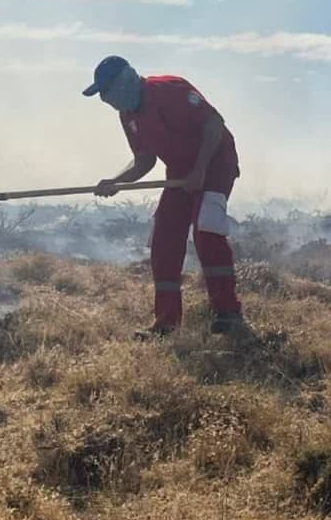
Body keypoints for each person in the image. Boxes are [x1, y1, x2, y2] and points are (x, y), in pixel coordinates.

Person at [84, 55, 245, 337]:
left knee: (207, 230)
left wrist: (200, 169)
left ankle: (228, 314)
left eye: (106, 91)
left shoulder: (170, 89)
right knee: (164, 237)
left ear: (125, 82)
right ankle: (166, 324)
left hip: (216, 162)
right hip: (180, 171)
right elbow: (144, 160)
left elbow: (214, 123)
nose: (105, 100)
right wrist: (116, 182)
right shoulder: (129, 116)